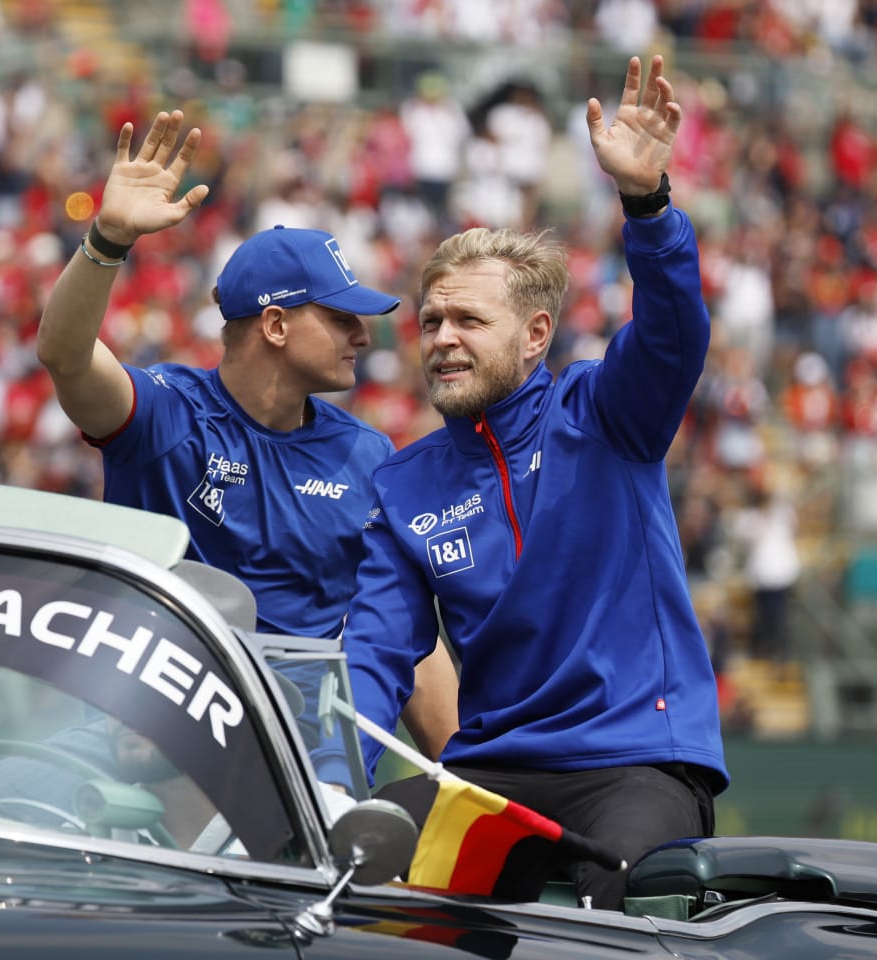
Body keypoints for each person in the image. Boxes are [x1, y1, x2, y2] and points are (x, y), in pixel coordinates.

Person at [322, 55, 728, 911]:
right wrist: (327, 784)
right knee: (348, 891)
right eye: (430, 321)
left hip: (633, 761)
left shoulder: (606, 414)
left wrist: (647, 206)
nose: (441, 339)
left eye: (469, 320)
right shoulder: (405, 485)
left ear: (536, 334)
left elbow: (671, 336)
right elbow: (374, 657)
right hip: (488, 774)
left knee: (624, 914)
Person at [32, 111, 458, 757]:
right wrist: (107, 240)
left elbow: (403, 634)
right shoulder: (168, 417)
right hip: (153, 744)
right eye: (342, 318)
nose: (364, 336)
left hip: (293, 770)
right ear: (277, 326)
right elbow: (65, 354)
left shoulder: (367, 454)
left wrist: (460, 781)